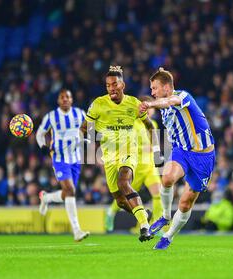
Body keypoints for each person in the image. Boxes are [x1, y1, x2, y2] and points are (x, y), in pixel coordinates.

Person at [80, 66, 159, 242]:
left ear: (122, 84)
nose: (111, 88)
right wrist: (82, 140)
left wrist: (155, 146)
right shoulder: (98, 104)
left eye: (114, 84)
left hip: (129, 152)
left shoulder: (134, 104)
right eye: (108, 85)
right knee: (121, 201)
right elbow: (85, 129)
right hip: (108, 156)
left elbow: (149, 125)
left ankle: (145, 226)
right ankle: (144, 214)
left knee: (124, 182)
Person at [139, 67, 216, 250]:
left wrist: (150, 104)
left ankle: (168, 237)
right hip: (181, 150)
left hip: (203, 156)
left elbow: (170, 101)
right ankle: (165, 216)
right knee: (167, 178)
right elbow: (164, 102)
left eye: (154, 88)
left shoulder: (183, 97)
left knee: (186, 202)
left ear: (166, 88)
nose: (152, 92)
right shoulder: (163, 105)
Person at [36, 89, 89, 242]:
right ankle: (77, 230)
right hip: (59, 158)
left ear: (72, 100)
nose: (65, 99)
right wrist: (43, 147)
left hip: (76, 159)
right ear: (58, 100)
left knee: (68, 193)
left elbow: (87, 129)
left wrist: (86, 139)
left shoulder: (80, 113)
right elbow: (40, 133)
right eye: (62, 97)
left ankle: (46, 198)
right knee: (70, 190)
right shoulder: (51, 117)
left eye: (68, 97)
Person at [104, 105, 164, 233]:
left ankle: (155, 226)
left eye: (151, 108)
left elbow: (154, 143)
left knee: (159, 194)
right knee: (126, 196)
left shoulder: (152, 124)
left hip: (150, 167)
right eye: (146, 108)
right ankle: (111, 212)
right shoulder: (132, 124)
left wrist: (157, 151)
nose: (150, 111)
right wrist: (144, 149)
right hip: (135, 166)